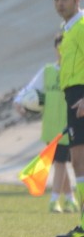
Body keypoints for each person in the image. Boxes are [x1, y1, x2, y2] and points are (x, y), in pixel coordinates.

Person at [14, 34, 78, 213]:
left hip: (67, 125)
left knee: (59, 162)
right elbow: (32, 88)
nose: (61, 51)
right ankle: (71, 199)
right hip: (50, 126)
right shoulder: (48, 71)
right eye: (59, 48)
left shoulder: (75, 71)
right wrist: (19, 101)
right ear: (55, 49)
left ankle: (54, 199)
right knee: (60, 163)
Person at [52, 0, 84, 237]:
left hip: (80, 96)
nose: (60, 3)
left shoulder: (82, 26)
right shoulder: (67, 29)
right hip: (72, 96)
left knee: (80, 161)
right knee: (78, 162)